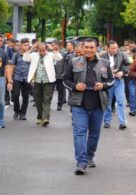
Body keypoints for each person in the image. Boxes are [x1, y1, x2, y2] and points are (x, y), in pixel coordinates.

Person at [64, 38, 114, 175]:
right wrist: (75, 86)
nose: (88, 50)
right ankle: (81, 162)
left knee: (94, 134)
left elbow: (112, 81)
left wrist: (103, 85)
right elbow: (65, 80)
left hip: (98, 104)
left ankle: (89, 156)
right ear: (82, 47)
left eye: (92, 47)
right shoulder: (74, 62)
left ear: (97, 48)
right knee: (79, 132)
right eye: (86, 47)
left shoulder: (105, 63)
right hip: (79, 104)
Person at [23, 42, 62, 126]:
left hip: (48, 81)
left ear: (46, 49)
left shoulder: (50, 55)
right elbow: (24, 57)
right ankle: (40, 116)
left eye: (43, 50)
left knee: (47, 100)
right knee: (38, 100)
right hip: (36, 81)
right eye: (40, 50)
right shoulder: (34, 55)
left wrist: (52, 48)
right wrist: (31, 48)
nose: (42, 52)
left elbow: (59, 57)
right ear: (37, 49)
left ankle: (46, 118)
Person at [100, 40, 129, 130]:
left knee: (120, 101)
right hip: (108, 82)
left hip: (119, 81)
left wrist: (122, 72)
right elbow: (98, 69)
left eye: (116, 48)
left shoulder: (122, 55)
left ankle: (122, 122)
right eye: (112, 48)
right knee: (108, 101)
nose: (115, 50)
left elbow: (129, 65)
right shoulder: (102, 56)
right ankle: (107, 121)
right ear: (107, 48)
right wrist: (108, 72)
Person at [0, 33, 14, 128]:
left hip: (0, 79)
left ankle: (0, 119)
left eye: (2, 41)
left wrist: (9, 80)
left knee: (0, 101)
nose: (2, 43)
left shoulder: (3, 53)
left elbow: (8, 66)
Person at [11, 38, 31, 120]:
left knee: (25, 96)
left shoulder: (31, 55)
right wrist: (10, 79)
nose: (27, 47)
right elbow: (12, 66)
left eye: (28, 45)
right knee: (15, 95)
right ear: (21, 45)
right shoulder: (16, 55)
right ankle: (16, 111)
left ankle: (23, 114)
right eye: (25, 45)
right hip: (17, 77)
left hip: (27, 78)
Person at [51, 40, 67, 111]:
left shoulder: (64, 53)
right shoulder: (50, 53)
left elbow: (66, 65)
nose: (52, 46)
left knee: (61, 91)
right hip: (51, 75)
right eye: (52, 45)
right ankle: (48, 104)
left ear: (58, 45)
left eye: (54, 45)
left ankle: (59, 104)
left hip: (60, 75)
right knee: (49, 91)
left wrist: (64, 73)